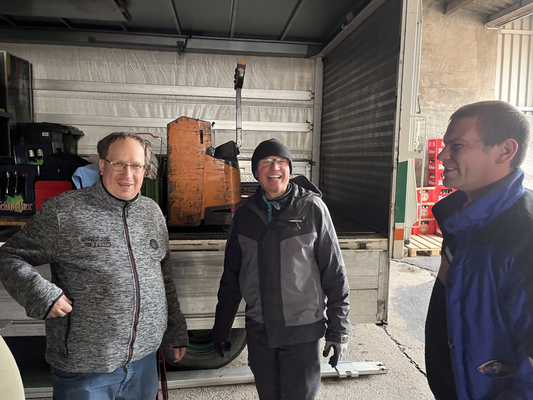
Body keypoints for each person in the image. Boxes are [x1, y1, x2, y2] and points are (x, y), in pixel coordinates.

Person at [0, 132, 188, 400]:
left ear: (145, 171)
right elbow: (9, 257)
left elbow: (165, 276)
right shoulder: (65, 211)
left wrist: (176, 330)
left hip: (144, 361)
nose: (128, 174)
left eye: (136, 166)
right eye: (118, 164)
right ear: (102, 165)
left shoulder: (152, 212)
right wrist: (43, 295)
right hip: (86, 367)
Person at [212, 138, 350, 400]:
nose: (274, 167)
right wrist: (221, 326)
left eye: (281, 162)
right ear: (256, 172)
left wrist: (339, 330)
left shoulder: (312, 209)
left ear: (290, 169)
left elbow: (334, 273)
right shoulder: (245, 215)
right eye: (266, 162)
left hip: (301, 332)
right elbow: (231, 277)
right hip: (260, 331)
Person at [425, 101, 533, 399]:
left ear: (504, 151)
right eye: (445, 145)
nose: (442, 156)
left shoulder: (523, 233)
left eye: (456, 145)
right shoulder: (463, 220)